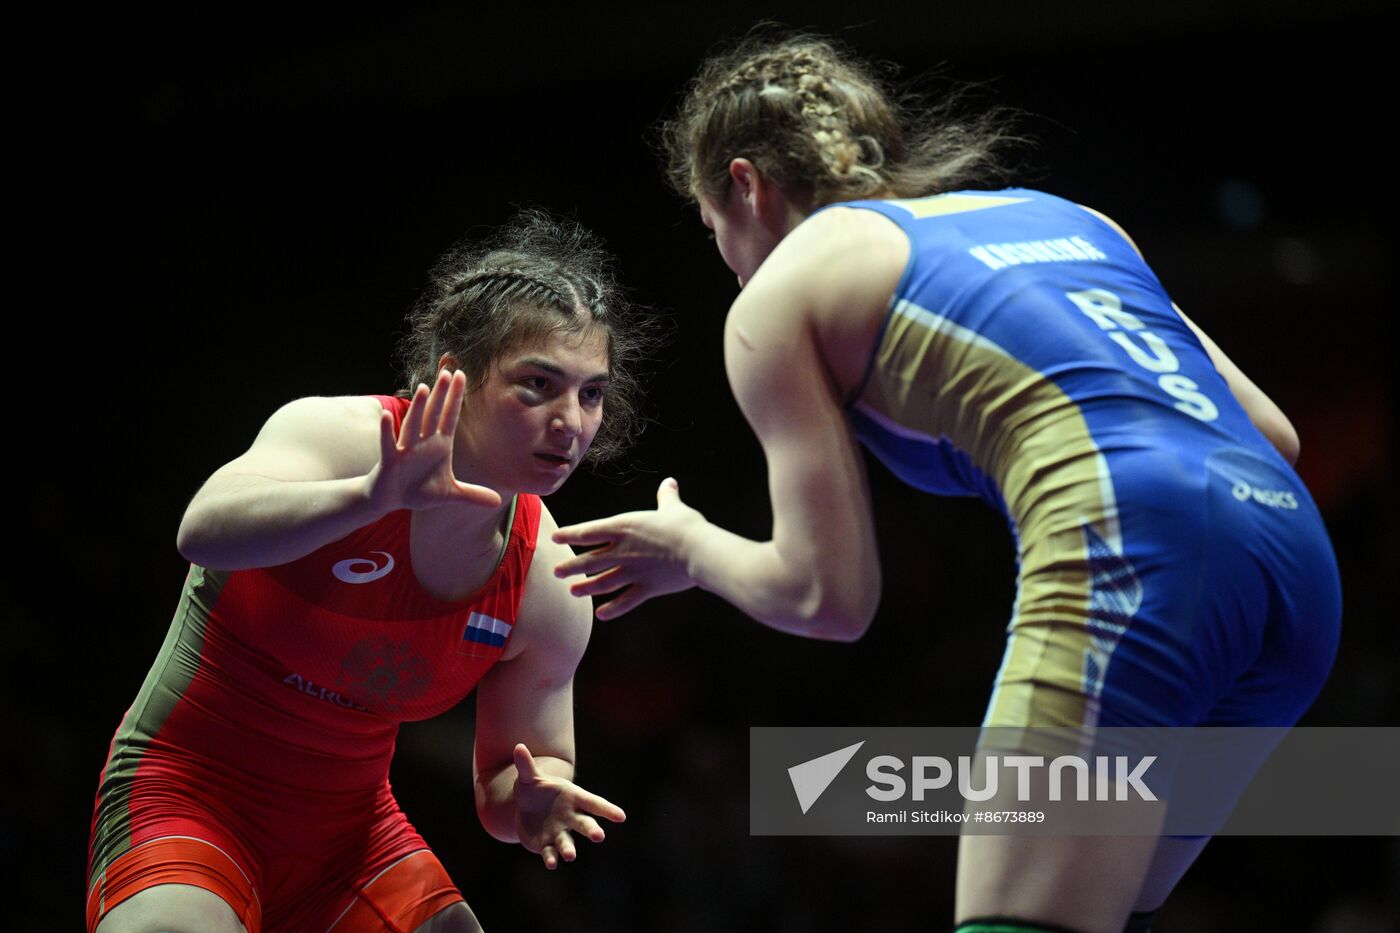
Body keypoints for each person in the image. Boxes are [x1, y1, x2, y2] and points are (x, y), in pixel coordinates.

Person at [551, 33, 1342, 933]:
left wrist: (690, 549)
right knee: (1107, 912)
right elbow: (1273, 433)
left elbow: (826, 596)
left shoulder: (781, 290)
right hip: (1294, 566)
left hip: (1135, 542)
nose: (729, 262)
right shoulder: (1070, 216)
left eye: (713, 230)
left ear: (747, 185)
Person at [86, 211, 641, 933]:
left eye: (591, 393)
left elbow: (510, 781)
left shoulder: (548, 580)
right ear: (456, 378)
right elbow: (202, 531)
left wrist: (535, 802)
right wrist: (370, 497)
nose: (570, 421)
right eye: (538, 384)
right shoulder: (341, 439)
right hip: (188, 797)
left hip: (352, 844)